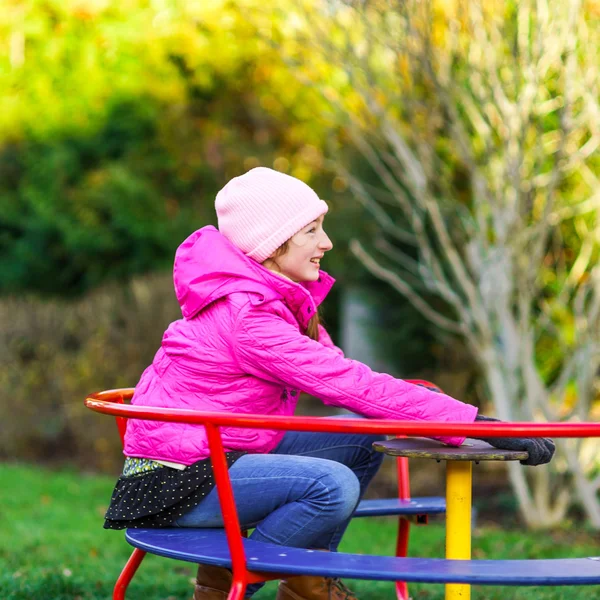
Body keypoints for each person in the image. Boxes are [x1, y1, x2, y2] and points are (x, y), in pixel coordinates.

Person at [103, 167, 555, 600]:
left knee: (357, 440)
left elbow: (344, 376)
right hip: (179, 481)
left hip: (222, 453)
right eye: (312, 231)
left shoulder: (277, 302)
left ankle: (307, 588)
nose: (327, 242)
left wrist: (426, 408)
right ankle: (227, 588)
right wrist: (476, 425)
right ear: (272, 244)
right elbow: (347, 383)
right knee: (330, 485)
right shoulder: (249, 317)